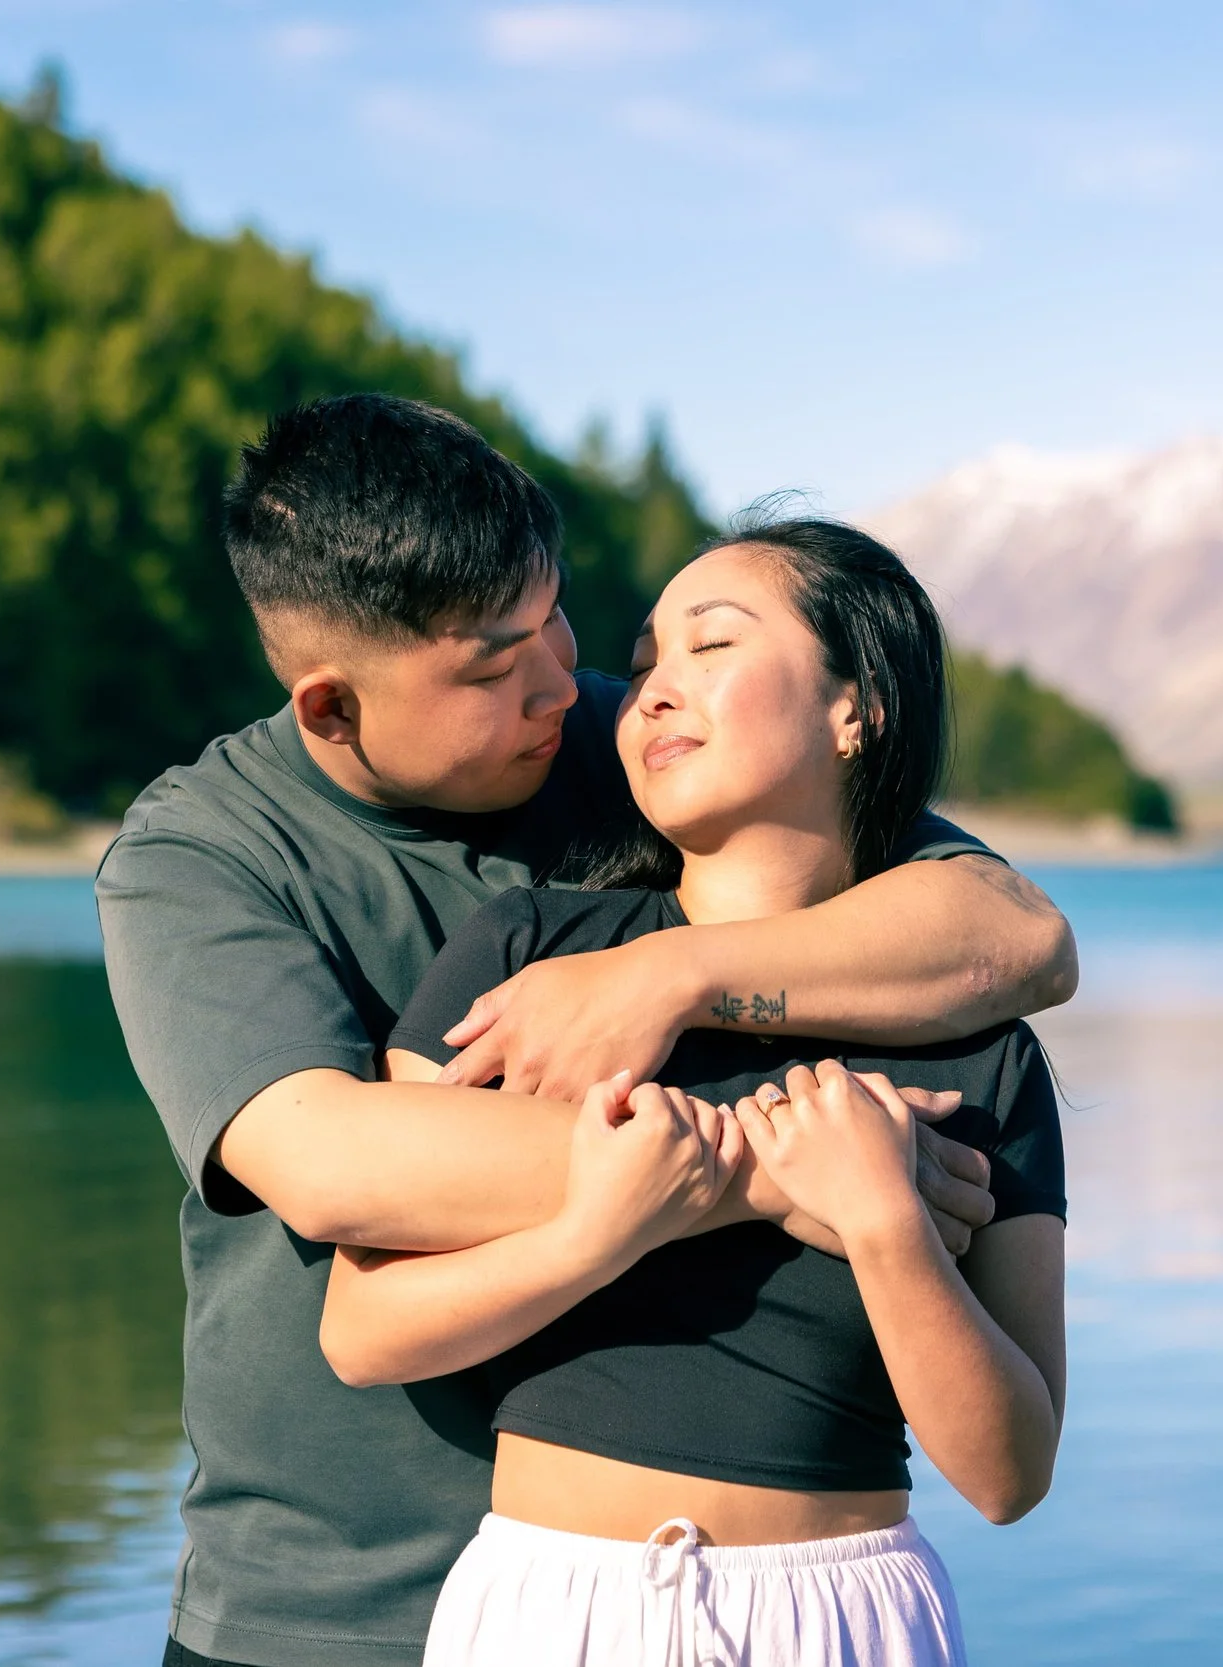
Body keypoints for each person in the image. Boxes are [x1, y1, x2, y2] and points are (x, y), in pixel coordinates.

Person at [96, 395, 1078, 1667]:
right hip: (326, 1611)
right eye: (496, 665)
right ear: (333, 708)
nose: (565, 678)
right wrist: (793, 1164)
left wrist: (674, 974)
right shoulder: (201, 855)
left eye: (554, 615)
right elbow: (332, 1166)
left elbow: (1014, 934)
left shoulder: (638, 741)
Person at [319, 518, 1067, 1666]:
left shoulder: (975, 1043)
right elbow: (364, 1327)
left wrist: (885, 1227)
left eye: (711, 645)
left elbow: (1011, 1475)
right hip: (548, 1605)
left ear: (853, 707)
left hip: (841, 1617)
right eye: (649, 658)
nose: (654, 690)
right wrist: (598, 1231)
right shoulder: (530, 957)